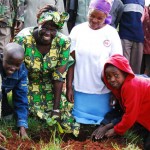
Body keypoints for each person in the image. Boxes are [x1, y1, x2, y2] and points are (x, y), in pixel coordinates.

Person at [14, 5, 79, 136]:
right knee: (31, 113)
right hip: (27, 83)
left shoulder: (63, 42)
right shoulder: (23, 39)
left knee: (64, 120)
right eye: (45, 27)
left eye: (53, 29)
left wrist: (56, 109)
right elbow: (17, 73)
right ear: (38, 22)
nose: (48, 32)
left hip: (51, 84)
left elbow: (59, 77)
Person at [66, 0, 122, 129]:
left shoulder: (112, 33)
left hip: (103, 90)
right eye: (92, 16)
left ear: (106, 17)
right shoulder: (77, 30)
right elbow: (70, 61)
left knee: (101, 124)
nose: (95, 20)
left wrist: (115, 92)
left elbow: (117, 64)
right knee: (80, 123)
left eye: (99, 18)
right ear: (88, 12)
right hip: (80, 88)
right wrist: (69, 86)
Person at [92, 54, 150, 150]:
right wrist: (105, 126)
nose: (112, 79)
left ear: (124, 73)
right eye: (108, 77)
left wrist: (115, 130)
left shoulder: (131, 86)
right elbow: (122, 114)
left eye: (116, 75)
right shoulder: (121, 89)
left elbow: (130, 116)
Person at [0, 42, 28, 140]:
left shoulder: (22, 72)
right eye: (9, 62)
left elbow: (21, 98)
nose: (12, 68)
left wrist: (22, 127)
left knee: (8, 118)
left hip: (3, 91)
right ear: (2, 57)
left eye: (17, 65)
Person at [119, 0, 145, 74]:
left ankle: (134, 85)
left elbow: (142, 19)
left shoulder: (142, 1)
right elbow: (118, 16)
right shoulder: (122, 1)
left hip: (139, 37)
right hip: (125, 35)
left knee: (136, 70)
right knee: (124, 67)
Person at [141, 5, 150, 77]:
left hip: (147, 47)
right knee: (141, 68)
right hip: (141, 44)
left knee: (147, 69)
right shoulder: (144, 9)